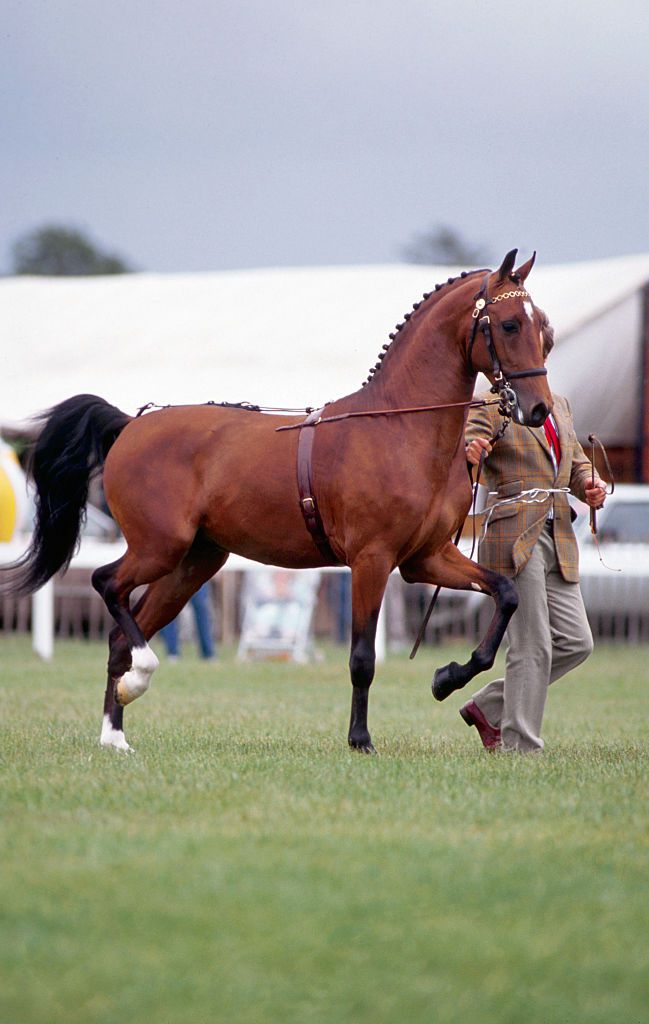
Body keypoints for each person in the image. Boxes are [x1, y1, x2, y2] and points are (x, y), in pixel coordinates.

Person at [460, 329, 607, 753]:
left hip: (558, 533)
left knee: (577, 642)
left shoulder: (559, 405)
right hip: (512, 533)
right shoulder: (491, 400)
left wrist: (589, 483)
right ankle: (520, 745)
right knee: (532, 645)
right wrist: (473, 450)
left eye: (538, 346)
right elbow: (469, 441)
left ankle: (488, 706)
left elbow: (575, 463)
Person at [159, 582, 216, 660]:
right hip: (171, 573)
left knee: (201, 607)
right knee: (168, 607)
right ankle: (172, 652)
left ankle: (208, 653)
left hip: (196, 572)